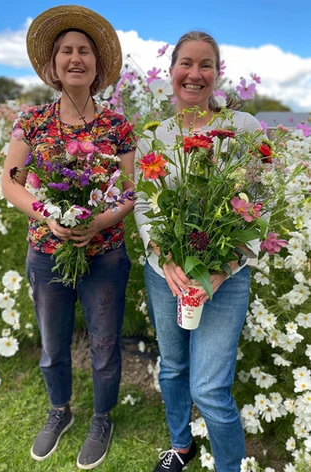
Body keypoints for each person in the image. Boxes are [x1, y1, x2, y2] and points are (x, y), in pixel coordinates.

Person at [1, 5, 136, 469]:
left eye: (84, 51)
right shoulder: (32, 120)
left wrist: (99, 221)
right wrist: (46, 214)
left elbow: (130, 191)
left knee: (103, 344)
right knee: (53, 343)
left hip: (105, 255)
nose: (75, 58)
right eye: (65, 51)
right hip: (46, 251)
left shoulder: (117, 125)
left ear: (98, 66)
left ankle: (101, 417)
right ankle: (59, 411)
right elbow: (10, 182)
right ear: (52, 65)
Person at [134, 31, 263, 472]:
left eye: (205, 64)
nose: (195, 73)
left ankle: (231, 465)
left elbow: (259, 204)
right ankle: (181, 445)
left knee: (209, 387)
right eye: (186, 64)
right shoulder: (157, 135)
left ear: (217, 73)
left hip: (224, 275)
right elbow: (143, 203)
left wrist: (224, 270)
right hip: (165, 272)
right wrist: (164, 257)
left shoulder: (242, 129)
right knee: (172, 366)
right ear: (171, 73)